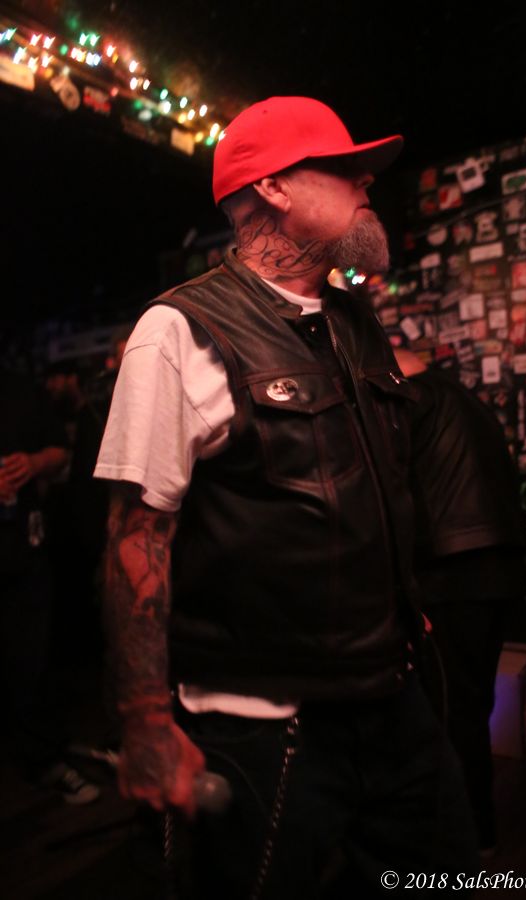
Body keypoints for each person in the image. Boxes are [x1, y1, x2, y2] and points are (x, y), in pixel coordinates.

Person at [95, 96, 478, 899]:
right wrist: (144, 722)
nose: (367, 184)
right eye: (346, 168)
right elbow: (137, 536)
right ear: (273, 187)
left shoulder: (355, 321)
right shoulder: (180, 329)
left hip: (395, 699)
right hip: (266, 727)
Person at [394, 347, 526, 855]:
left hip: (451, 575)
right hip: (497, 570)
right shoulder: (465, 399)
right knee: (471, 705)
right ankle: (474, 834)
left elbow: (395, 496)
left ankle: (468, 843)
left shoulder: (411, 402)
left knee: (450, 714)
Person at [0, 370, 100, 804]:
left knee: (32, 662)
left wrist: (33, 463)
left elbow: (59, 452)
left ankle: (45, 760)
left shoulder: (19, 388)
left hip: (24, 550)